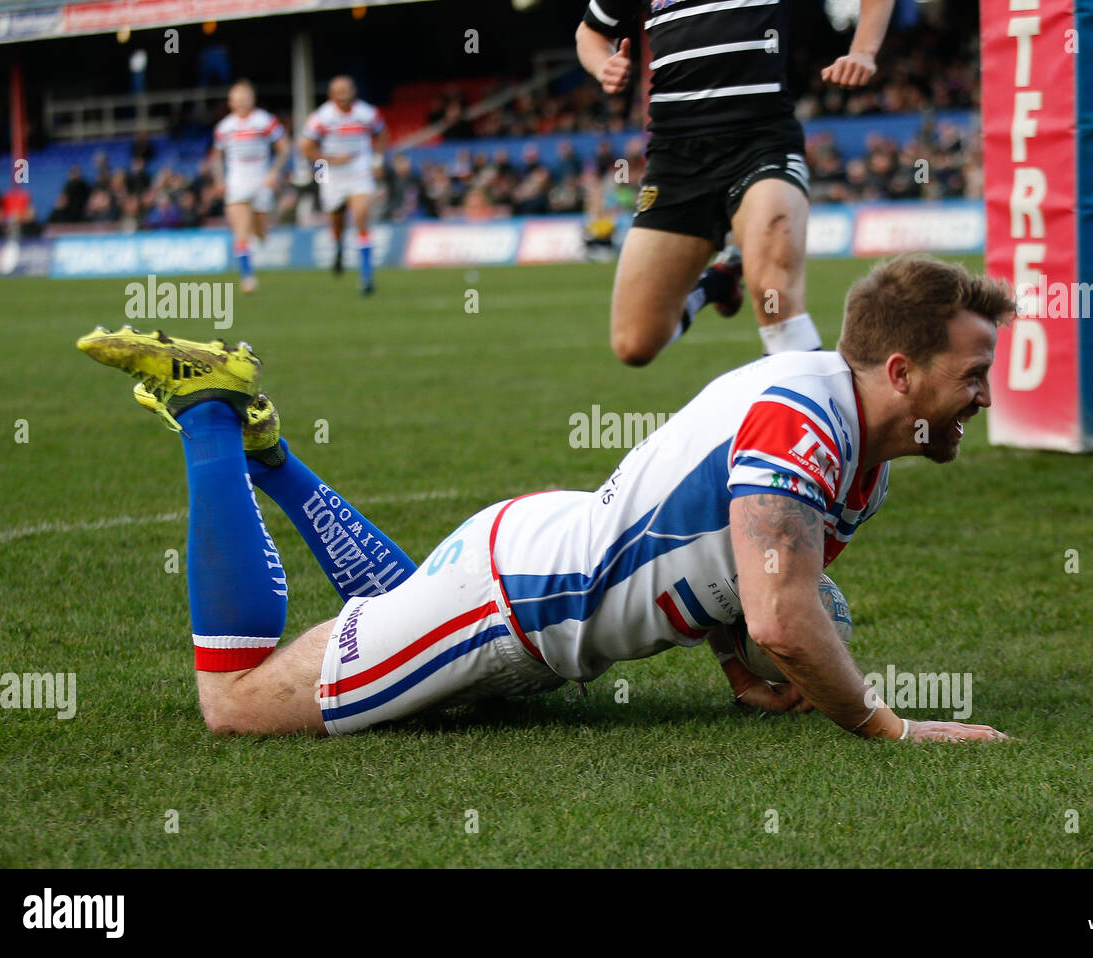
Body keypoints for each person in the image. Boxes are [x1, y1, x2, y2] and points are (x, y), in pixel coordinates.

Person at [75, 254, 1012, 744]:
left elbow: (743, 568)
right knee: (235, 705)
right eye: (973, 374)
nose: (984, 395)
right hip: (511, 605)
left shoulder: (857, 453)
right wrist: (888, 727)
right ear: (900, 370)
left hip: (524, 561)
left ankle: (271, 454)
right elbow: (782, 611)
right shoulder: (806, 423)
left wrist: (736, 667)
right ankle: (209, 411)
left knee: (398, 616)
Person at [576, 0, 895, 365]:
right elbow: (590, 31)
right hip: (674, 160)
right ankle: (719, 281)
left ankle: (805, 414)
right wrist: (604, 65)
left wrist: (864, 51)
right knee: (635, 344)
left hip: (761, 144)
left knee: (775, 297)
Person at [300, 76, 387, 295]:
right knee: (337, 220)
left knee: (361, 217)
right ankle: (339, 248)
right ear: (331, 94)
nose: (343, 94)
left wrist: (377, 160)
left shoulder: (366, 113)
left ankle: (366, 276)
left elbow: (383, 134)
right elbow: (306, 147)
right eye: (338, 90)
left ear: (353, 91)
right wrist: (329, 160)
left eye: (346, 89)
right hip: (333, 175)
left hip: (359, 171)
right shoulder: (322, 117)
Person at [211, 80, 290, 293]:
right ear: (230, 102)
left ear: (252, 99)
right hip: (237, 181)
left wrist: (274, 171)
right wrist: (220, 180)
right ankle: (247, 277)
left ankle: (261, 235)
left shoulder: (265, 121)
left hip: (261, 180)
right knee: (241, 229)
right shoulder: (224, 127)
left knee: (260, 229)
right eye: (237, 99)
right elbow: (217, 156)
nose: (241, 103)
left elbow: (284, 148)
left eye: (244, 98)